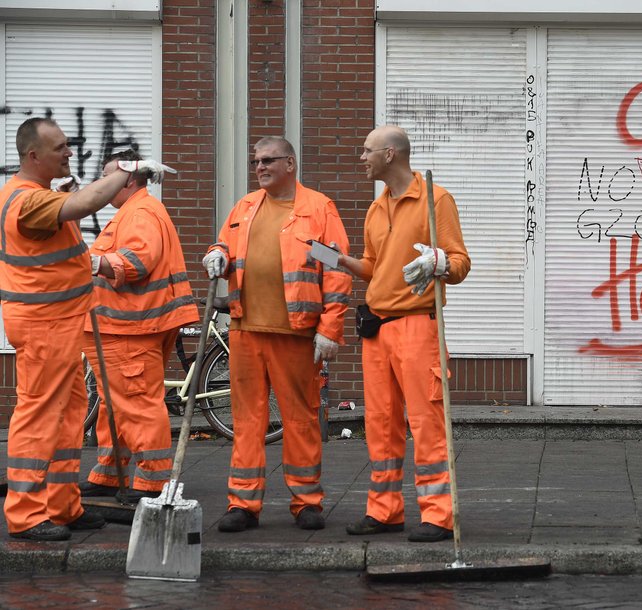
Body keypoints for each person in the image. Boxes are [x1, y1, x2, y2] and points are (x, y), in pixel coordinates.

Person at [1, 117, 173, 541]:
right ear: (33, 155)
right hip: (44, 326)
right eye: (60, 147)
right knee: (39, 414)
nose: (69, 153)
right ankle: (25, 513)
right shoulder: (27, 201)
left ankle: (62, 505)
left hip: (59, 324)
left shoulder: (37, 195)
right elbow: (83, 206)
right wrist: (126, 172)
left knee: (67, 414)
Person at [202, 136, 351, 532]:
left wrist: (330, 328)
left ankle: (306, 501)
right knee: (246, 419)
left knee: (300, 419)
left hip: (295, 334)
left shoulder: (317, 209)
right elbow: (225, 243)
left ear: (290, 163)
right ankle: (243, 503)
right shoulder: (246, 207)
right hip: (245, 328)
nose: (260, 168)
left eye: (268, 161)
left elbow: (335, 269)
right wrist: (218, 253)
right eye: (255, 162)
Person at [337, 125, 470, 543]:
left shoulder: (436, 199)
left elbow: (461, 263)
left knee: (425, 422)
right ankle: (385, 510)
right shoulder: (376, 209)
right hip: (378, 330)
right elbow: (374, 266)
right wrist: (341, 262)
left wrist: (440, 261)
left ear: (390, 154)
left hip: (417, 325)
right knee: (380, 423)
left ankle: (438, 515)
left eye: (367, 150)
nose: (362, 157)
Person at [77, 149, 199, 503]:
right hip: (126, 326)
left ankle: (152, 482)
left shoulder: (140, 212)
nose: (101, 183)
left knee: (136, 404)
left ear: (128, 178)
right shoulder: (135, 211)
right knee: (116, 404)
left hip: (130, 328)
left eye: (107, 176)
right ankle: (109, 474)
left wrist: (89, 261)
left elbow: (135, 262)